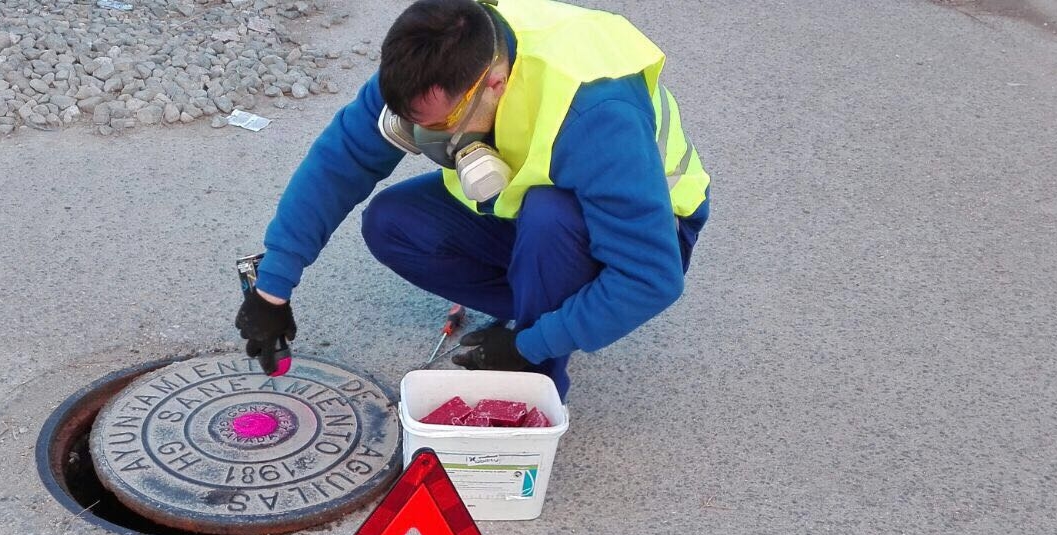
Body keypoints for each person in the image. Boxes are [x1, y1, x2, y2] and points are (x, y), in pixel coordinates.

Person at [233, 0, 710, 398]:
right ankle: (544, 306)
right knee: (391, 222)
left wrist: (528, 346)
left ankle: (531, 380)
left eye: (438, 128)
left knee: (549, 217)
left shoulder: (597, 111)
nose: (424, 138)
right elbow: (341, 162)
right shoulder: (436, 61)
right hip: (526, 208)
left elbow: (650, 279)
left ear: (494, 84)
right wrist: (273, 287)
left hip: (643, 237)